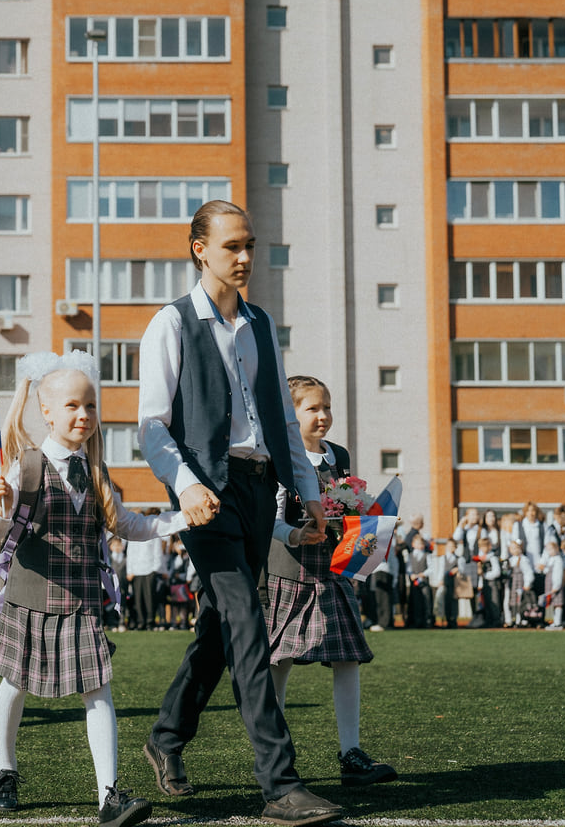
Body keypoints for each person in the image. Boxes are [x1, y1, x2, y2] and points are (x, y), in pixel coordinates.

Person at [137, 200, 342, 825]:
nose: (246, 257)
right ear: (200, 249)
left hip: (259, 490)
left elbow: (280, 419)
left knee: (222, 629)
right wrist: (185, 483)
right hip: (207, 498)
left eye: (249, 244)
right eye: (233, 247)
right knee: (249, 626)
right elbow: (151, 427)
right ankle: (280, 784)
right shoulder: (169, 325)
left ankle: (166, 737)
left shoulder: (260, 323)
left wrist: (308, 492)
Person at [0, 351, 187, 827]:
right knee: (15, 684)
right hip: (29, 598)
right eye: (73, 406)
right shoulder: (26, 466)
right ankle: (5, 767)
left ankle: (109, 796)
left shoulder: (96, 471)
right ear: (47, 413)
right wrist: (3, 504)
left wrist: (179, 520)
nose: (84, 415)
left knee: (99, 692)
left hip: (82, 603)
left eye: (91, 406)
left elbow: (126, 525)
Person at [261, 376, 396, 787]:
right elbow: (272, 518)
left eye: (327, 407)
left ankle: (351, 753)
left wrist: (369, 531)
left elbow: (349, 512)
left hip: (332, 574)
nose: (323, 416)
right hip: (287, 573)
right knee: (278, 662)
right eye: (312, 409)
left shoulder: (338, 455)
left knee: (347, 658)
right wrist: (296, 534)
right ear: (290, 414)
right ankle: (277, 758)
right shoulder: (277, 455)